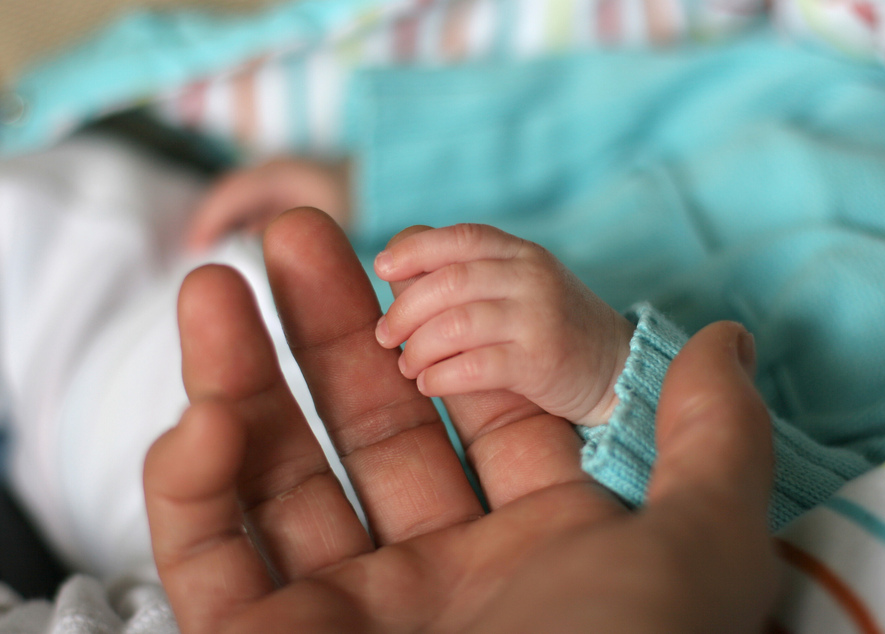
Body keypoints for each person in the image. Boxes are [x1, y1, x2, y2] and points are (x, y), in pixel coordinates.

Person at [143, 206, 779, 633]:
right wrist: (618, 377)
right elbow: (789, 529)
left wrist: (611, 370)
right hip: (505, 442)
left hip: (451, 465)